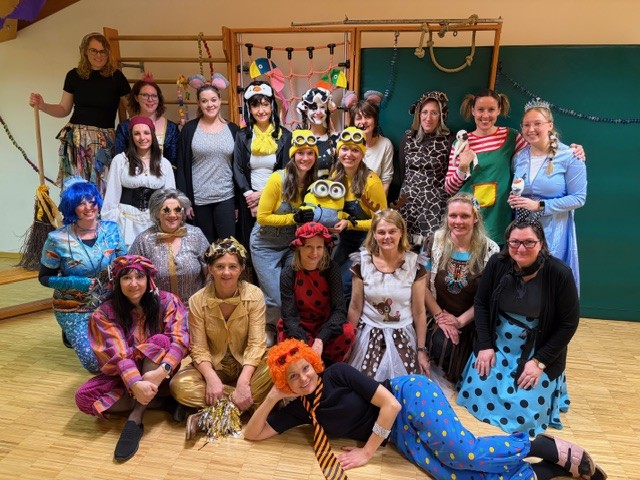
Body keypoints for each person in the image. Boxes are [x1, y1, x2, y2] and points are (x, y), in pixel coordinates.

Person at [245, 338, 607, 480]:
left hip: (408, 396)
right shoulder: (299, 409)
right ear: (284, 382)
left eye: (305, 368)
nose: (303, 378)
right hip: (396, 434)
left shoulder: (338, 373)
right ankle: (544, 471)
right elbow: (253, 435)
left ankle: (538, 444)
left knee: (461, 452)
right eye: (292, 377)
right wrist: (273, 398)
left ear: (313, 363)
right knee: (452, 475)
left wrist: (367, 453)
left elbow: (389, 404)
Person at [457, 220, 579, 437]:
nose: (521, 248)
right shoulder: (497, 263)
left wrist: (540, 362)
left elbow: (568, 324)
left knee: (525, 408)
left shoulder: (560, 273)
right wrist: (485, 345)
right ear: (507, 242)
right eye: (514, 242)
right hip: (498, 342)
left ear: (541, 243)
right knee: (478, 390)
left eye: (529, 242)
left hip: (537, 349)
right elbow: (481, 303)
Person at [74, 255, 189, 462]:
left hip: (161, 372)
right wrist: (136, 384)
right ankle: (160, 402)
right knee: (84, 398)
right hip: (127, 375)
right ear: (117, 282)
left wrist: (161, 371)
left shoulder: (168, 301)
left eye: (139, 277)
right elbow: (119, 354)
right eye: (126, 278)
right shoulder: (105, 313)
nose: (133, 283)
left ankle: (136, 417)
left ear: (149, 279)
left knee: (160, 340)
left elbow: (180, 340)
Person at [444, 89, 584, 245]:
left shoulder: (511, 137)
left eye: (491, 110)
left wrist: (571, 151)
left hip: (499, 219)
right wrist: (462, 167)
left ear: (499, 110)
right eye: (480, 109)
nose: (485, 115)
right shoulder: (461, 143)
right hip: (468, 218)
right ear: (473, 111)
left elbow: (538, 152)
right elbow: (449, 188)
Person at [169, 237, 272, 424]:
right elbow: (198, 348)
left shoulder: (254, 295)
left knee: (279, 364)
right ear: (210, 268)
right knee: (179, 386)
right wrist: (211, 379)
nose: (226, 272)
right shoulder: (197, 300)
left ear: (241, 268)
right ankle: (248, 404)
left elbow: (257, 343)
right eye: (220, 266)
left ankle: (211, 410)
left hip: (247, 365)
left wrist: (243, 381)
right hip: (215, 366)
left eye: (232, 266)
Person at [39, 177, 126, 372]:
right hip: (73, 307)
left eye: (91, 201)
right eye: (81, 203)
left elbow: (124, 262)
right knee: (95, 364)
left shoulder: (112, 229)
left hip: (110, 303)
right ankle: (72, 331)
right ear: (72, 207)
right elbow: (43, 278)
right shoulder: (56, 239)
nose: (89, 207)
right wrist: (75, 282)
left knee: (122, 353)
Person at [28, 32, 131, 191]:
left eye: (103, 51)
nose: (98, 55)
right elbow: (63, 109)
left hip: (103, 142)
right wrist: (42, 105)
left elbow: (132, 110)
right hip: (76, 140)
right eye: (93, 50)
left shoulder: (116, 77)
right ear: (85, 51)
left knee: (102, 188)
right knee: (77, 190)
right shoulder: (73, 76)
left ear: (108, 53)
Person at [509, 101, 587, 291]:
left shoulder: (570, 156)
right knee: (524, 283)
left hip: (554, 232)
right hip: (522, 231)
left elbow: (579, 198)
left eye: (537, 123)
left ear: (550, 125)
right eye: (526, 125)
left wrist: (540, 205)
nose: (531, 129)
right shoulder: (519, 157)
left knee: (549, 283)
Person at [422, 193, 499, 386]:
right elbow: (422, 287)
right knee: (442, 344)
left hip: (473, 318)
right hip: (436, 313)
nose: (458, 221)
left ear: (475, 218)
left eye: (465, 216)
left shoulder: (491, 251)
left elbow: (487, 298)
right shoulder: (433, 242)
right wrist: (440, 317)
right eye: (453, 215)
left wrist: (459, 321)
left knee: (481, 366)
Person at [251, 129, 318, 339]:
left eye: (310, 153)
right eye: (300, 153)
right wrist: (294, 218)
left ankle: (289, 330)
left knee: (293, 292)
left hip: (291, 244)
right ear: (293, 155)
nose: (305, 158)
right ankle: (270, 327)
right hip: (265, 244)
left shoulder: (314, 183)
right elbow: (262, 217)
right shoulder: (277, 179)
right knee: (276, 296)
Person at [347, 209, 429, 381]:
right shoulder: (363, 262)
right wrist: (348, 343)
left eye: (392, 231)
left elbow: (419, 312)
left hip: (402, 333)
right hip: (368, 333)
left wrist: (421, 350)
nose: (387, 237)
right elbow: (355, 307)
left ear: (401, 233)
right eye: (381, 232)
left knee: (404, 386)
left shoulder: (414, 264)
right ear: (374, 234)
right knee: (366, 386)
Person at [278, 222, 355, 365]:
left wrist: (320, 339)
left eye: (319, 247)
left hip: (325, 325)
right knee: (290, 345)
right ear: (299, 247)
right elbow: (289, 316)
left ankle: (328, 365)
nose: (314, 253)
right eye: (309, 246)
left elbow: (339, 310)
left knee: (347, 332)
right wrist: (306, 344)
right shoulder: (288, 273)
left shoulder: (331, 269)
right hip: (299, 326)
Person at [176, 84, 239, 243]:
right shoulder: (189, 130)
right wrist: (185, 202)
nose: (210, 104)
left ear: (220, 100)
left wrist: (237, 204)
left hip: (226, 197)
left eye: (213, 100)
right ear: (199, 103)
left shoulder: (233, 130)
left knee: (228, 246)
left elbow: (239, 168)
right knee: (204, 248)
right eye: (204, 101)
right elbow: (181, 168)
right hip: (198, 200)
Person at [234, 81, 291, 255]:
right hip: (248, 199)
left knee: (273, 244)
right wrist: (250, 196)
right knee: (249, 244)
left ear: (272, 106)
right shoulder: (242, 135)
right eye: (255, 106)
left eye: (265, 104)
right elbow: (238, 168)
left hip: (277, 197)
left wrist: (263, 195)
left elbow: (286, 171)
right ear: (249, 109)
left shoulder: (285, 136)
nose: (261, 110)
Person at [329, 126, 388, 297]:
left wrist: (349, 223)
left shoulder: (372, 182)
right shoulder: (335, 176)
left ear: (362, 154)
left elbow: (382, 223)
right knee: (329, 276)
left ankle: (347, 314)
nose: (349, 154)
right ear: (338, 151)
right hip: (346, 240)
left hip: (367, 242)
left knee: (343, 283)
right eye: (345, 149)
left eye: (355, 150)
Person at [101, 115, 176, 248]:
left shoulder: (164, 164)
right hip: (126, 222)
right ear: (131, 137)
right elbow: (111, 197)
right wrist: (109, 228)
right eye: (137, 133)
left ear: (152, 135)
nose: (142, 138)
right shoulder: (120, 161)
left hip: (154, 222)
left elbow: (170, 199)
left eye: (146, 133)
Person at [129, 188, 209, 304]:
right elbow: (131, 275)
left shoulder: (196, 234)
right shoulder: (143, 240)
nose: (172, 215)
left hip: (194, 308)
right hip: (158, 309)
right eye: (166, 210)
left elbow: (211, 272)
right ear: (157, 213)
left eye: (177, 210)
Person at [397, 91, 455, 246]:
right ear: (418, 114)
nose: (428, 118)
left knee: (431, 251)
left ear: (442, 116)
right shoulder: (407, 138)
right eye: (424, 112)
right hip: (407, 203)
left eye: (434, 113)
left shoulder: (450, 140)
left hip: (435, 206)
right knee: (404, 248)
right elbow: (403, 173)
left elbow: (452, 176)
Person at [115, 75, 180, 168]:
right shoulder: (124, 127)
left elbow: (174, 162)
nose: (150, 99)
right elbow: (119, 161)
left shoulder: (171, 128)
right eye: (145, 95)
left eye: (154, 96)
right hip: (131, 175)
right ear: (136, 98)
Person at [350, 99, 394, 195]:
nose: (363, 121)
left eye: (368, 117)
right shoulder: (347, 143)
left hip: (374, 199)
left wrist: (377, 201)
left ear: (375, 120)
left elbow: (386, 180)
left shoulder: (385, 144)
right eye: (359, 118)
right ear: (353, 122)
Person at [296, 86, 338, 178]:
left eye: (322, 107)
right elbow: (287, 173)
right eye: (313, 107)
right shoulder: (295, 139)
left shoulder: (337, 139)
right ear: (305, 110)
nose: (318, 112)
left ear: (328, 110)